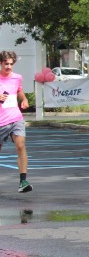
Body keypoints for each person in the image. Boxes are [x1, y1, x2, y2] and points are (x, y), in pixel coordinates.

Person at [0, 50, 32, 193]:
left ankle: (23, 181)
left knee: (20, 146)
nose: (9, 67)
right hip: (1, 122)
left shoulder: (17, 78)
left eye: (11, 64)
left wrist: (24, 99)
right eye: (6, 64)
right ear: (1, 63)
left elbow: (19, 90)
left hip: (15, 118)